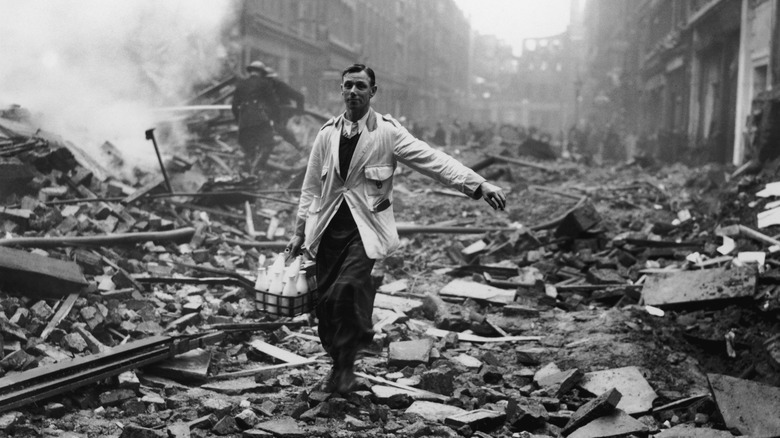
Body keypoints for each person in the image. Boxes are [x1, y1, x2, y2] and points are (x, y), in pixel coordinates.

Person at [285, 64, 507, 394]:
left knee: (346, 291)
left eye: (361, 86)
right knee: (326, 307)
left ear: (373, 92)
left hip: (366, 231)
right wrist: (299, 231)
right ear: (340, 90)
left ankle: (345, 368)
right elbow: (310, 188)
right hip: (327, 230)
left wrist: (478, 184)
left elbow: (433, 160)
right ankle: (340, 364)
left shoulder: (387, 132)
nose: (353, 92)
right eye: (348, 86)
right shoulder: (327, 134)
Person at [231, 60, 280, 172]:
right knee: (269, 143)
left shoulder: (241, 84)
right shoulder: (264, 83)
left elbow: (234, 107)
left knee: (248, 150)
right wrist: (275, 119)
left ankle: (249, 175)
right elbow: (273, 104)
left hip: (244, 122)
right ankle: (257, 168)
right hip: (259, 120)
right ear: (261, 72)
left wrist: (240, 121)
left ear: (251, 71)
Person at [265, 66, 305, 151]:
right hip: (269, 112)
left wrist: (298, 114)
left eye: (268, 79)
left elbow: (300, 97)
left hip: (283, 111)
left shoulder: (281, 86)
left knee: (279, 127)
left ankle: (297, 145)